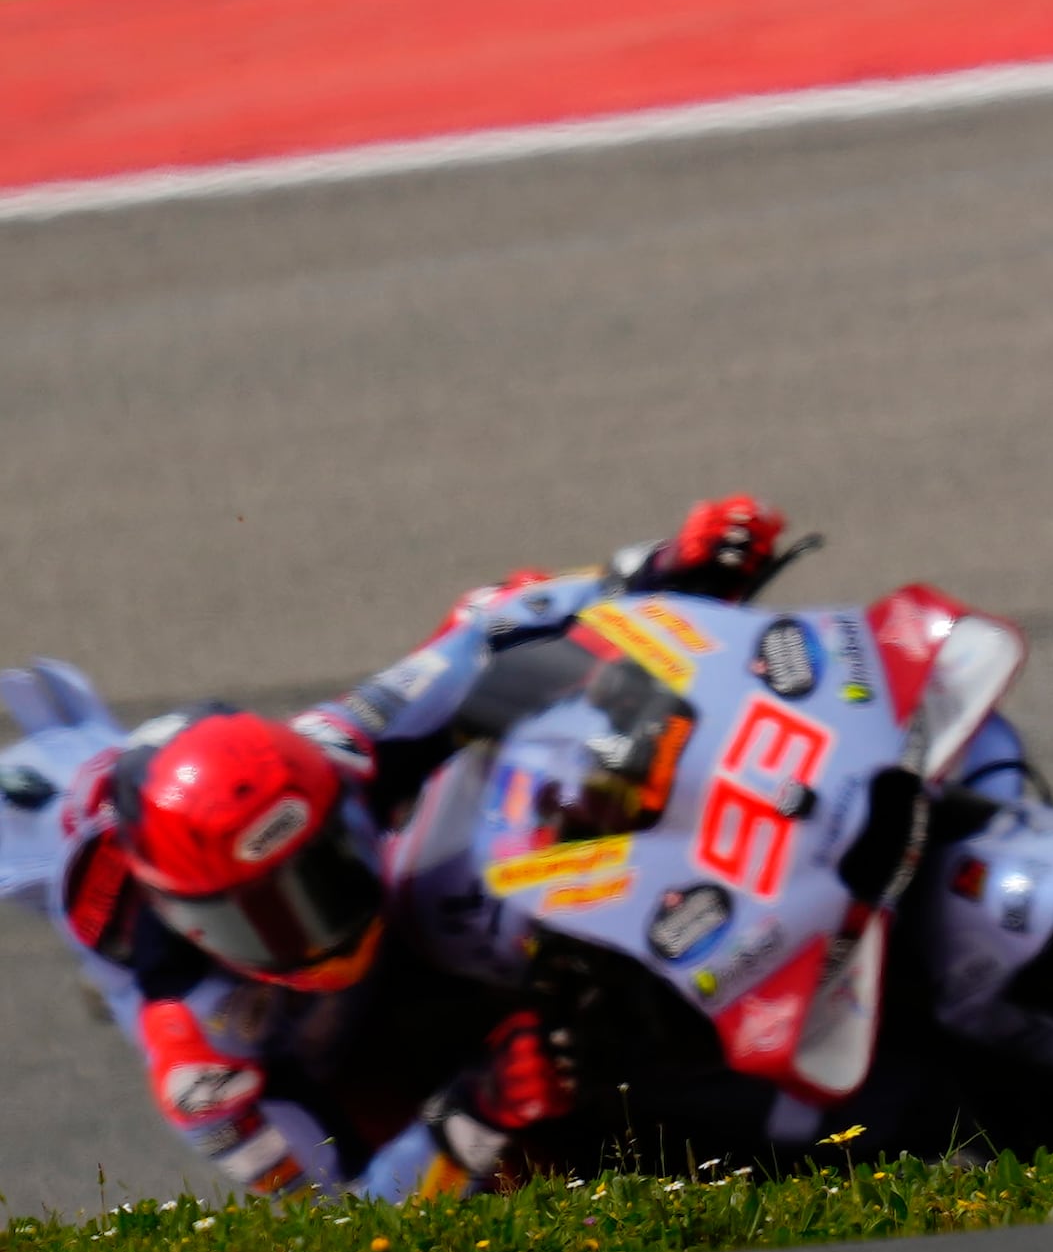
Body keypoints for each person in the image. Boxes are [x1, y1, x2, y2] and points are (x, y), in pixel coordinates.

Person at [6, 496, 794, 1197]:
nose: (323, 918)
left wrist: (660, 570)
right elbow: (336, 1218)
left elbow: (481, 632)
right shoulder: (201, 1057)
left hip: (407, 917)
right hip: (345, 1063)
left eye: (326, 861)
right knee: (514, 1161)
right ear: (195, 924)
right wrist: (480, 1104)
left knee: (528, 751)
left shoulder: (331, 750)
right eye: (274, 913)